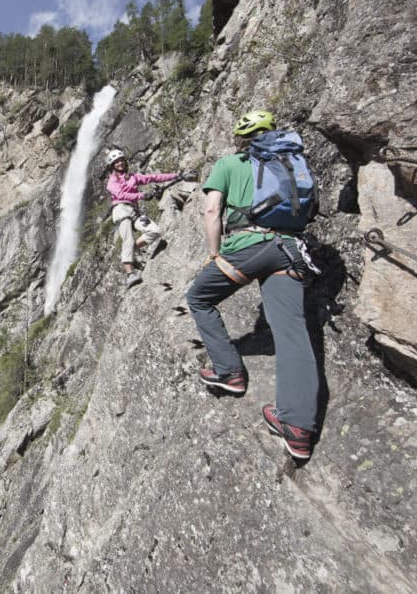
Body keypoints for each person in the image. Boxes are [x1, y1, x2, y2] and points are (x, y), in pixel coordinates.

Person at [185, 110, 319, 459]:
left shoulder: (229, 164)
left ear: (240, 138)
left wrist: (214, 253)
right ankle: (298, 426)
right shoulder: (290, 163)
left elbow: (212, 211)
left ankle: (229, 372)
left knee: (199, 297)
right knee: (293, 333)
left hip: (248, 248)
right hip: (289, 250)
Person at [104, 149, 184, 289]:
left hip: (134, 211)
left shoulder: (133, 177)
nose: (120, 163)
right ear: (112, 166)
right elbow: (121, 195)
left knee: (154, 231)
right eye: (116, 162)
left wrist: (177, 176)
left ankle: (129, 251)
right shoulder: (111, 182)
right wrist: (141, 196)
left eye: (122, 160)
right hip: (121, 210)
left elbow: (153, 178)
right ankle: (130, 275)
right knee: (127, 239)